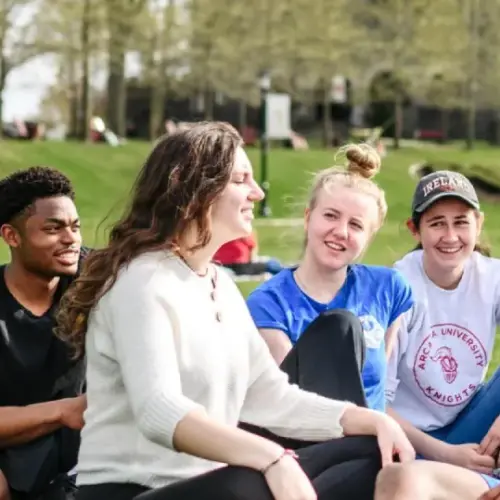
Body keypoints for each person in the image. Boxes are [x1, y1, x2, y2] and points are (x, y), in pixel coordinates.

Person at [55, 122, 415, 500]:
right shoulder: (142, 282)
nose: (257, 193)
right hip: (130, 490)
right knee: (250, 483)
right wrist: (272, 458)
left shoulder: (220, 284)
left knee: (371, 449)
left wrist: (368, 419)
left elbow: (267, 394)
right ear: (194, 189)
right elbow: (158, 411)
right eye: (242, 180)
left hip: (208, 486)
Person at [245, 143, 414, 412]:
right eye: (330, 216)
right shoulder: (269, 303)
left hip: (373, 443)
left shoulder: (388, 288)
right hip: (310, 442)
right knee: (342, 325)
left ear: (368, 237)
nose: (341, 231)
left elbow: (375, 388)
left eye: (356, 225)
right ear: (308, 218)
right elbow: (294, 401)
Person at [385, 170, 500, 489]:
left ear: (479, 223)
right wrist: (447, 455)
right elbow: (374, 404)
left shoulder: (492, 277)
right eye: (437, 223)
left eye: (461, 222)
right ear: (415, 229)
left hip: (468, 423)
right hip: (410, 442)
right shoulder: (399, 288)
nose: (450, 236)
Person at [0, 167, 88, 500]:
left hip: (83, 465)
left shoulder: (95, 282)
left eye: (75, 226)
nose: (70, 240)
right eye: (53, 229)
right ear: (12, 236)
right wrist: (66, 410)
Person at [213, 232, 283, 277]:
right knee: (271, 264)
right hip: (241, 266)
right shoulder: (241, 230)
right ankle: (288, 274)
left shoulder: (218, 229)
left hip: (222, 264)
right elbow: (252, 247)